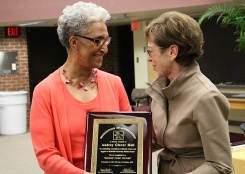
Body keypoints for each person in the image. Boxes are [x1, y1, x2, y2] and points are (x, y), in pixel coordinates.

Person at [30, 2, 131, 174]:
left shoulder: (115, 83)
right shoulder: (45, 91)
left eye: (106, 40)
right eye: (98, 40)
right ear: (74, 42)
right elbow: (46, 156)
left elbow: (130, 139)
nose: (105, 48)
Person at [144, 11, 234, 174]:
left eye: (150, 51)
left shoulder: (206, 96)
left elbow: (221, 166)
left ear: (172, 52)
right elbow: (159, 139)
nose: (148, 58)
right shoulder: (161, 90)